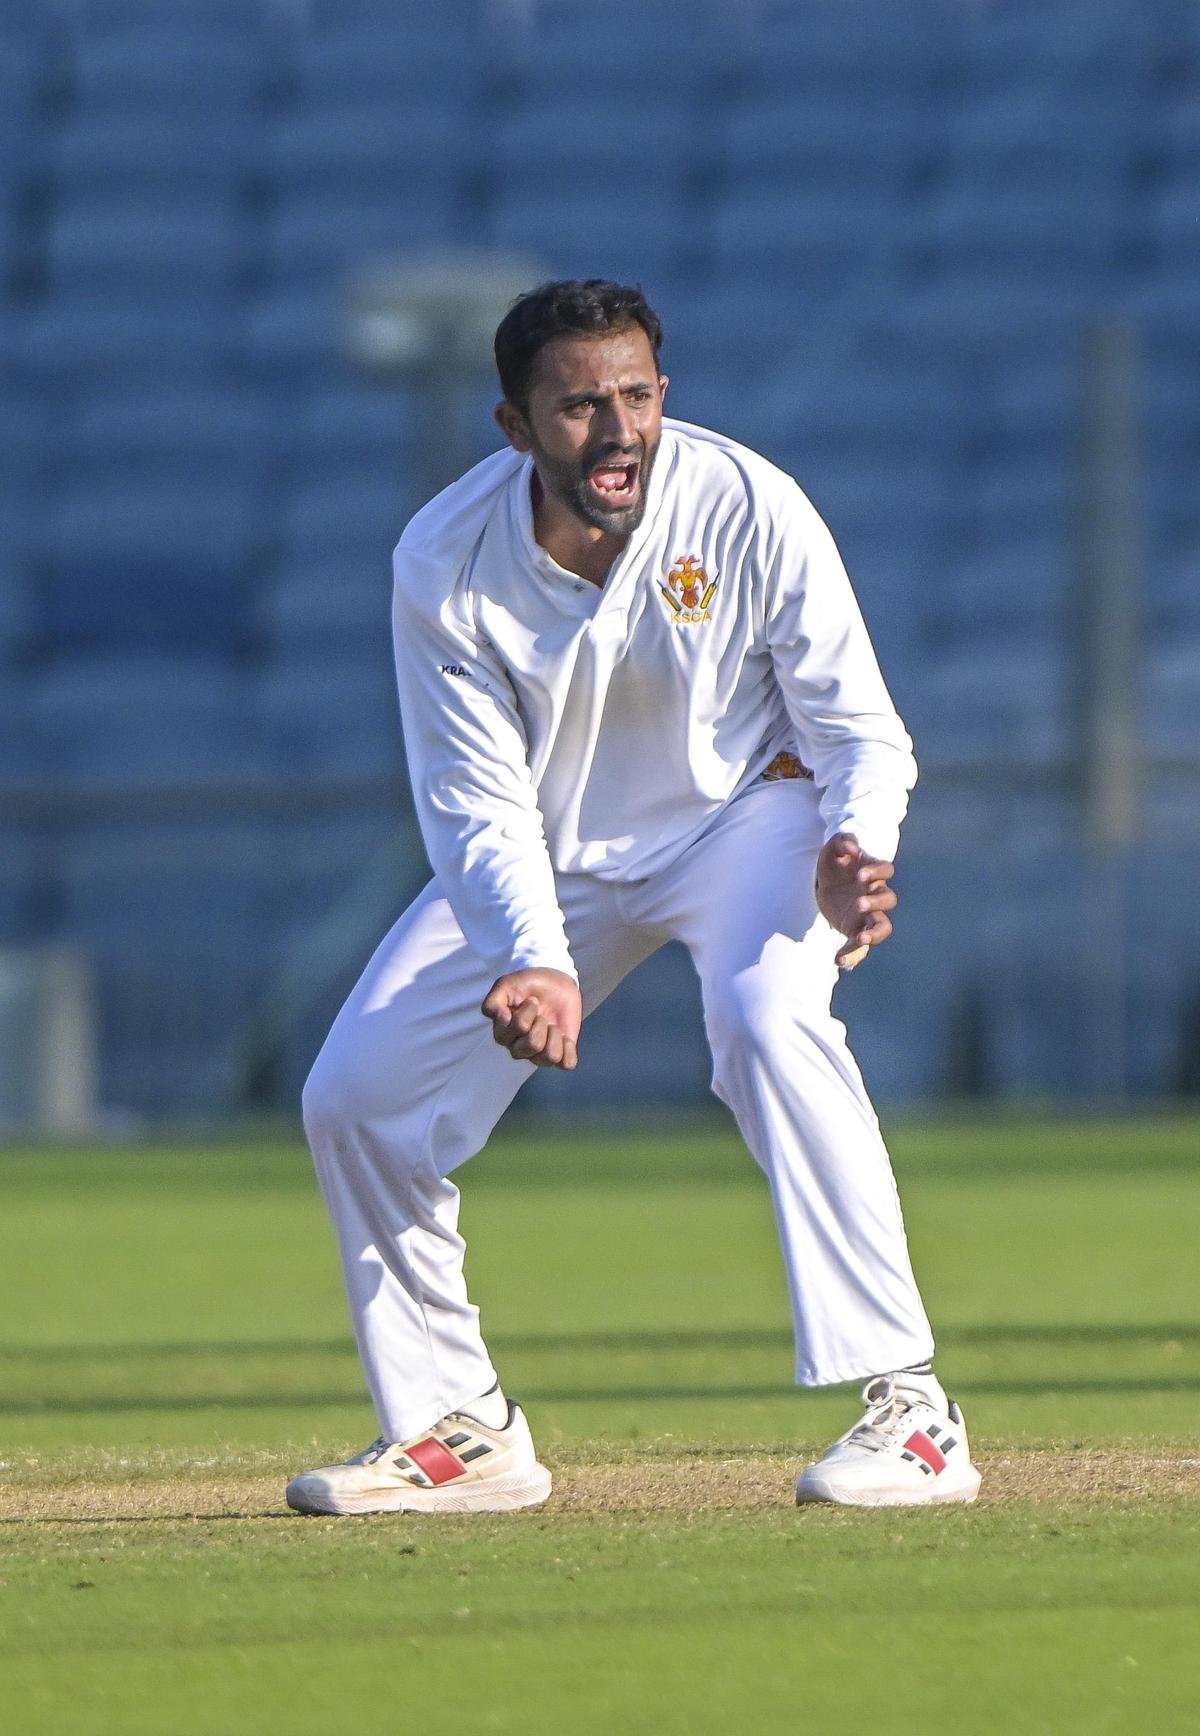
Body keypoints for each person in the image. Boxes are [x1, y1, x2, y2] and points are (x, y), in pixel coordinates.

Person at [287, 279, 981, 1516]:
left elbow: (863, 731)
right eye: (577, 407)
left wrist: (853, 842)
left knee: (771, 1019)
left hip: (745, 820)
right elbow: (473, 800)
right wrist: (531, 954)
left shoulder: (747, 502)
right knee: (355, 1097)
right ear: (515, 427)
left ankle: (912, 1412)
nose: (616, 432)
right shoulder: (443, 560)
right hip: (546, 853)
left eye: (637, 396)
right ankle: (461, 1430)